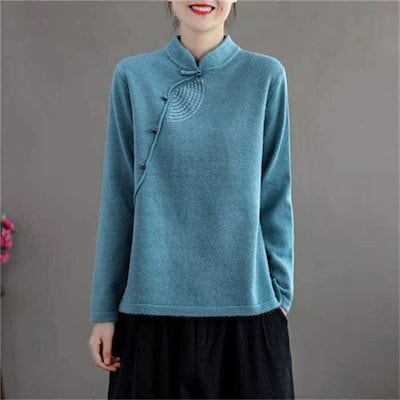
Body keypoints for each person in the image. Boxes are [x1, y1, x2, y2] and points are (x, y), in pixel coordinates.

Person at [88, 1, 295, 398]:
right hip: (149, 315)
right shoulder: (133, 77)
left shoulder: (265, 77)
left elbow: (275, 193)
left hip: (249, 314)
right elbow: (118, 199)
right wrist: (104, 311)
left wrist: (280, 295)